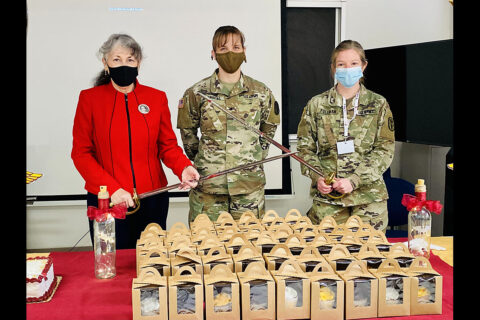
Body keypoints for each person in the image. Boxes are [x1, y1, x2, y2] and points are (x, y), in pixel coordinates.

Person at [71, 33, 200, 249]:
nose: (124, 65)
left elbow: (167, 146)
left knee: (151, 264)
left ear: (138, 63)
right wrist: (113, 189)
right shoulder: (89, 99)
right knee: (111, 266)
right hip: (107, 200)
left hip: (152, 199)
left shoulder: (156, 98)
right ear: (105, 63)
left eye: (130, 60)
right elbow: (81, 154)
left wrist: (184, 167)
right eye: (117, 59)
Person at [177, 25, 280, 223]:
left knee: (248, 248)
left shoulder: (261, 91)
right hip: (209, 188)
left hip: (248, 188)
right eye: (223, 49)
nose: (230, 53)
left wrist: (252, 157)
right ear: (213, 54)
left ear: (244, 51)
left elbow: (269, 129)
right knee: (207, 248)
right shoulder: (196, 93)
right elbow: (188, 136)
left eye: (236, 47)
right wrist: (207, 162)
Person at [296, 40, 395, 232]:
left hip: (369, 200)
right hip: (328, 200)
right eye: (341, 64)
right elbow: (304, 149)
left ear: (363, 66)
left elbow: (385, 149)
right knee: (327, 256)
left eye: (353, 64)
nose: (347, 69)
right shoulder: (316, 105)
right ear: (333, 68)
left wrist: (354, 180)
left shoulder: (379, 104)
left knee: (369, 257)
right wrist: (317, 177)